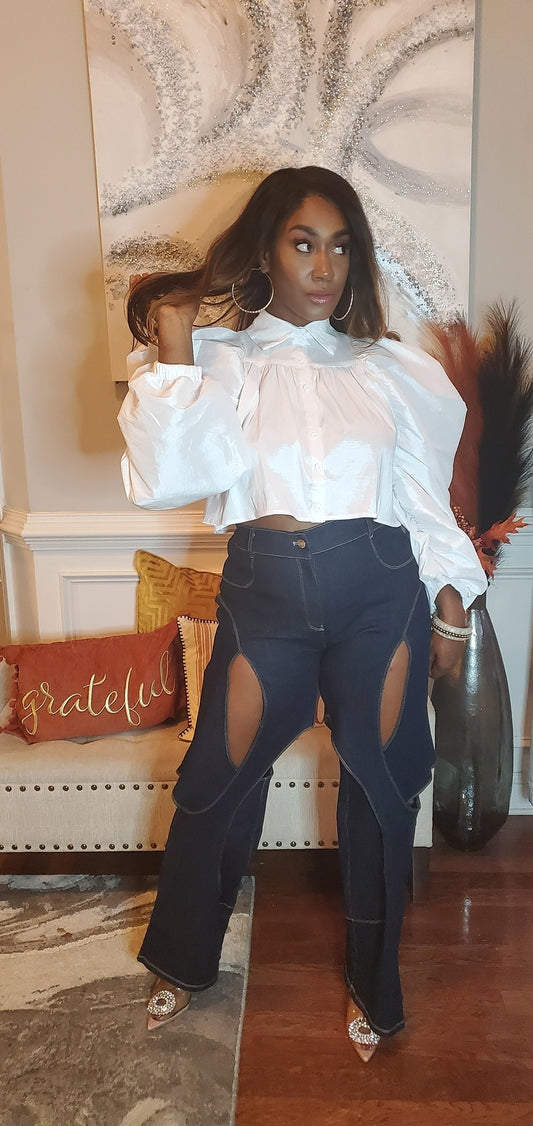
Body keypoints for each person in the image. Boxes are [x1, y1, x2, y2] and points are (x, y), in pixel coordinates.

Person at [118, 165, 487, 1062]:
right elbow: (172, 477)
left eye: (340, 246)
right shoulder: (219, 362)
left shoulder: (387, 370)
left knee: (383, 787)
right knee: (213, 782)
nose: (324, 267)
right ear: (265, 253)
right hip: (265, 598)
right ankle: (183, 960)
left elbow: (421, 498)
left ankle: (375, 985)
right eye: (302, 243)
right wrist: (175, 335)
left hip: (379, 593)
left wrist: (450, 607)